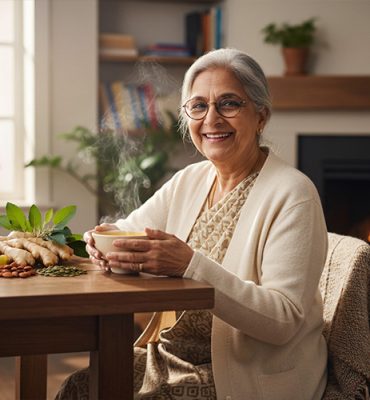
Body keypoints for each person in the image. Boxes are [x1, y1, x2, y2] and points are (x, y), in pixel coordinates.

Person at [55, 48, 328, 400]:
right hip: (173, 356)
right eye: (199, 106)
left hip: (246, 373)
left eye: (229, 103)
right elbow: (128, 231)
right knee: (79, 387)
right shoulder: (191, 180)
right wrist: (101, 240)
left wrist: (190, 265)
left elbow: (283, 321)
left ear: (261, 115)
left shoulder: (293, 194)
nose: (211, 119)